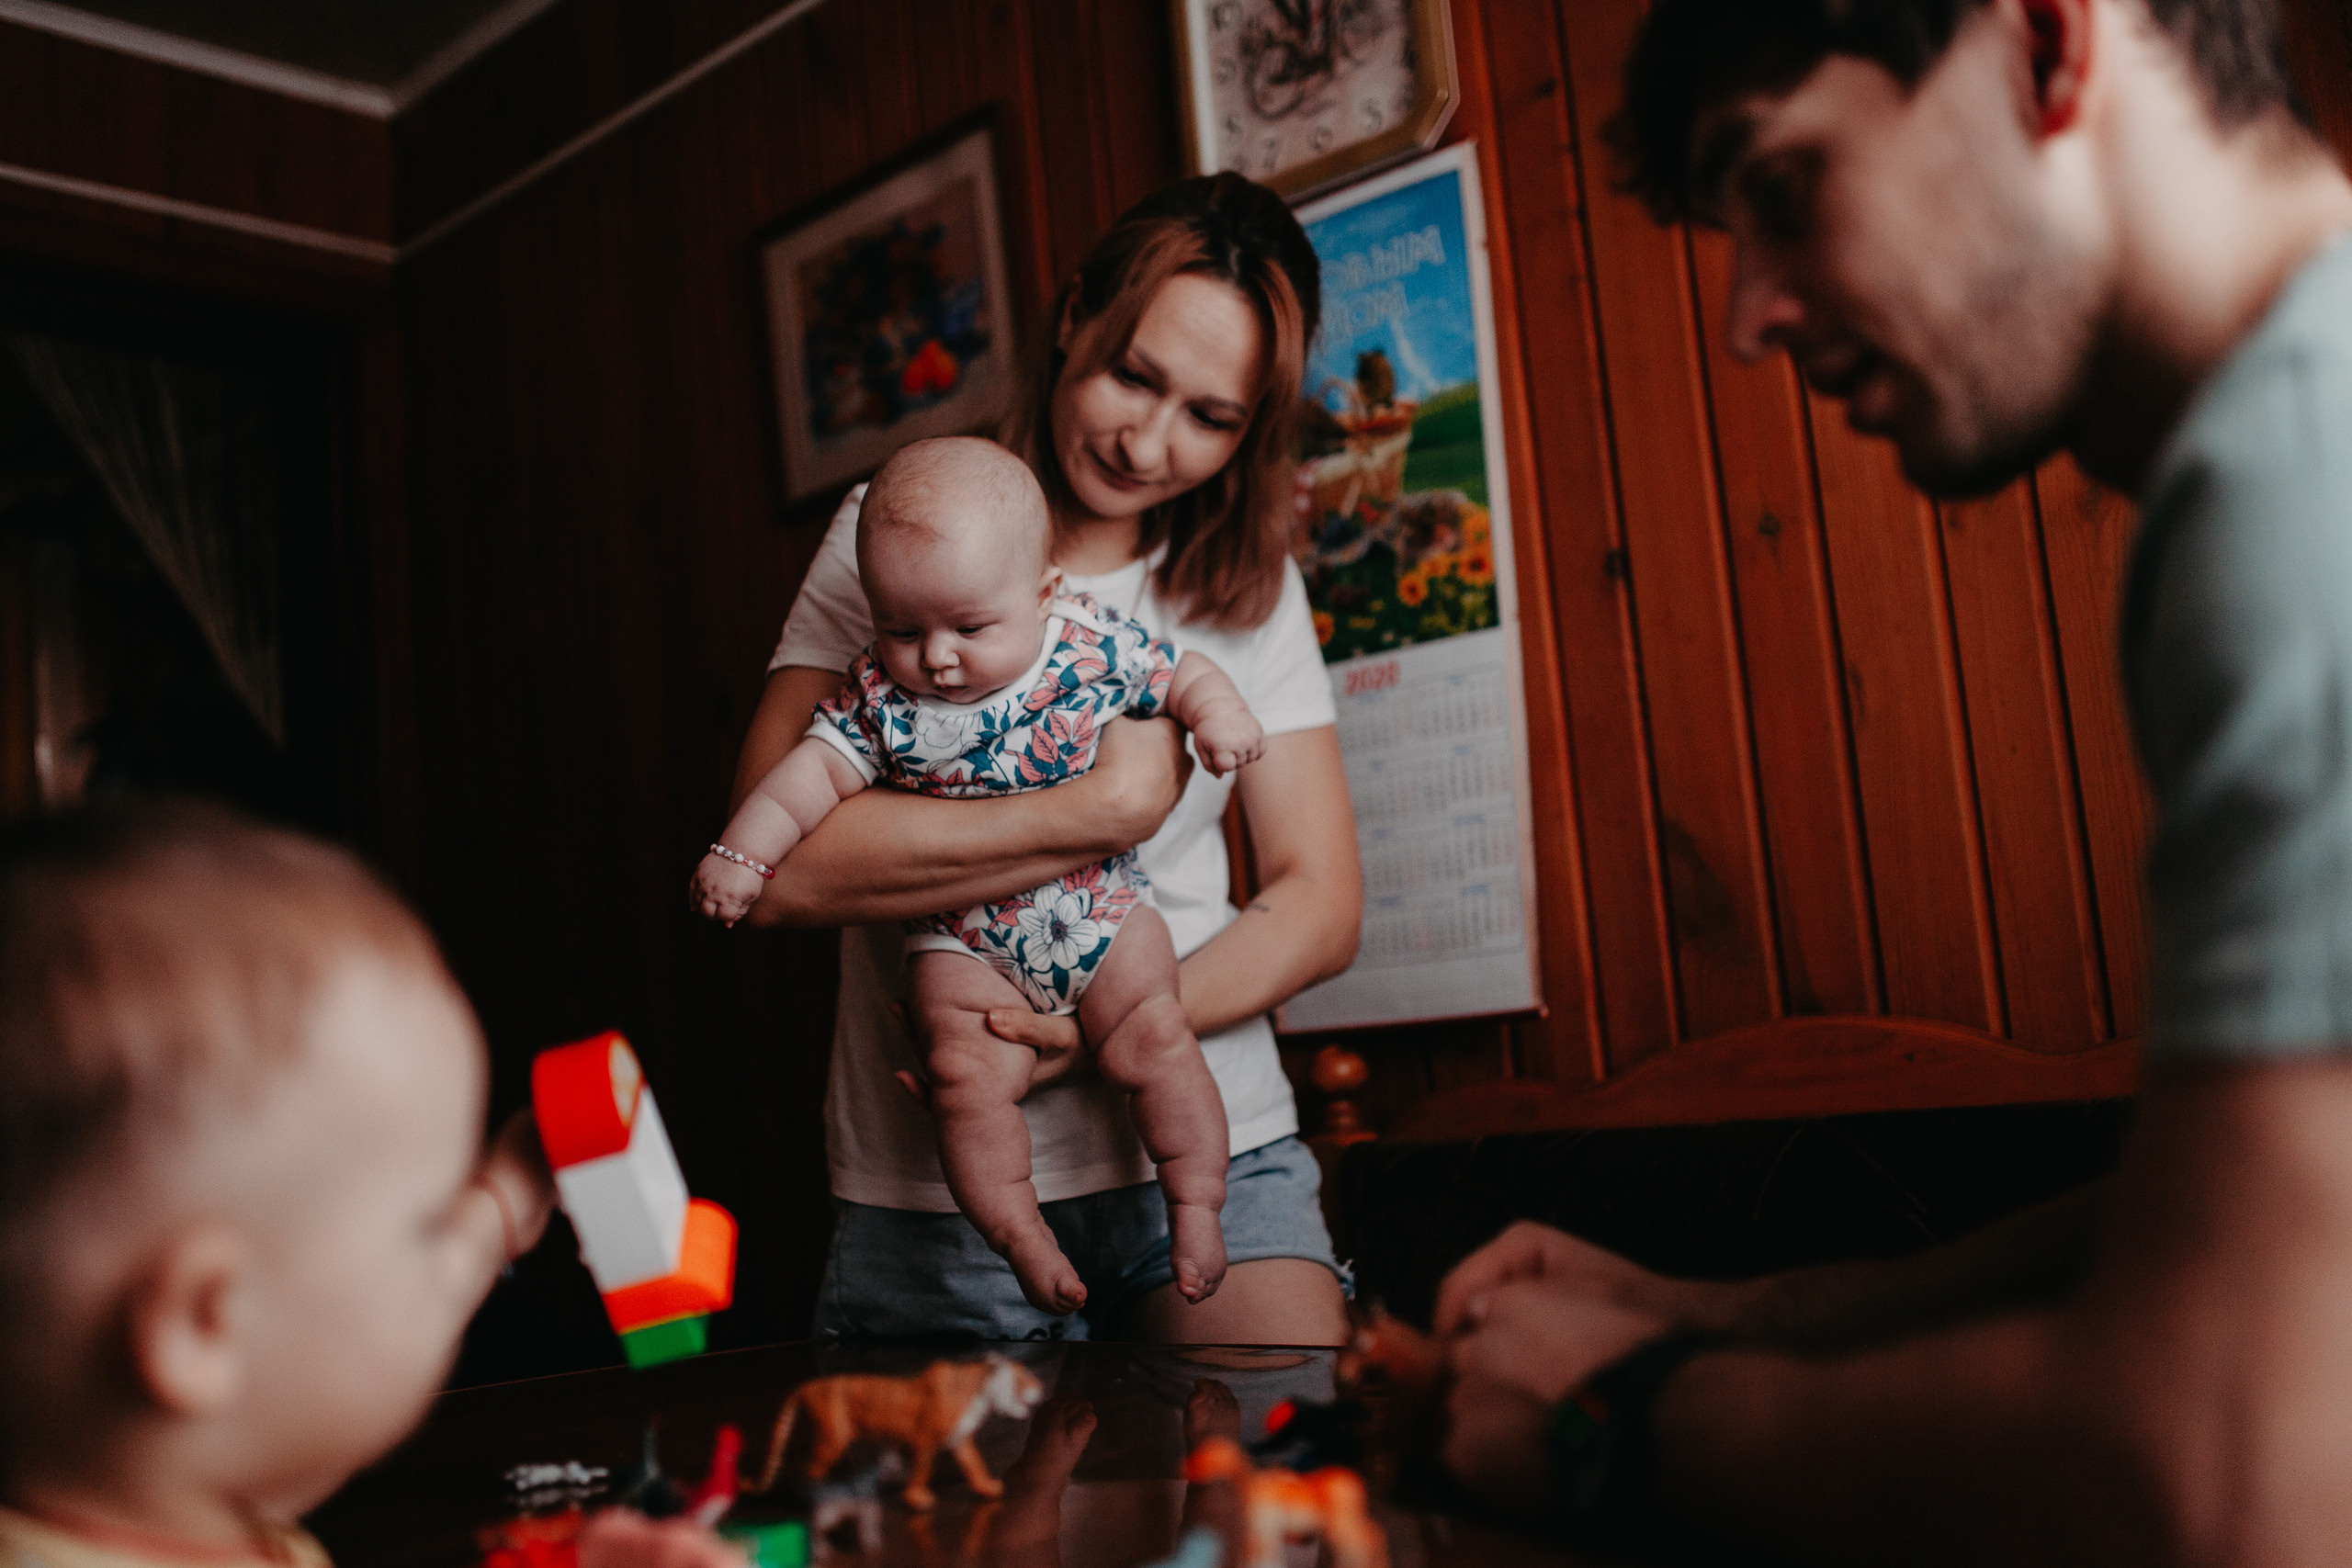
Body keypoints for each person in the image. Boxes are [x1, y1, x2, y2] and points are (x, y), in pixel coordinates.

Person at [1437, 0, 2352, 1560]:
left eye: (1783, 186)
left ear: (2049, 48)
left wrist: (1625, 1417)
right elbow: (2228, 1227)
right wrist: (1740, 1311)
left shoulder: (2299, 473)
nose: (1747, 318)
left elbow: (2224, 1472)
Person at [729, 173, 1362, 1346]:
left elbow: (1319, 906)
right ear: (1074, 316)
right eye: (1134, 374)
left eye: (1209, 417)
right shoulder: (891, 539)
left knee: (1275, 1491)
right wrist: (1101, 806)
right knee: (978, 1527)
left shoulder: (1245, 590)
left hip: (1215, 1115)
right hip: (933, 1191)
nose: (1145, 439)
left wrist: (1091, 1038)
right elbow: (777, 869)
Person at [0, 800, 736, 1568]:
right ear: (207, 1322)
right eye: (427, 1225)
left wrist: (503, 1200)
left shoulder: (164, 1501)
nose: (454, 1249)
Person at [694, 436, 1266, 1315]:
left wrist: (1218, 714)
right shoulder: (880, 700)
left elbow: (1177, 673)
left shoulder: (1083, 645)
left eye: (969, 627)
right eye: (903, 629)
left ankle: (1195, 1205)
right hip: (961, 936)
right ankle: (1018, 1234)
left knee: (1155, 1038)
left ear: (1042, 595)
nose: (937, 657)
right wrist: (742, 854)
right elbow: (805, 778)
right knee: (961, 1075)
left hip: (1102, 908)